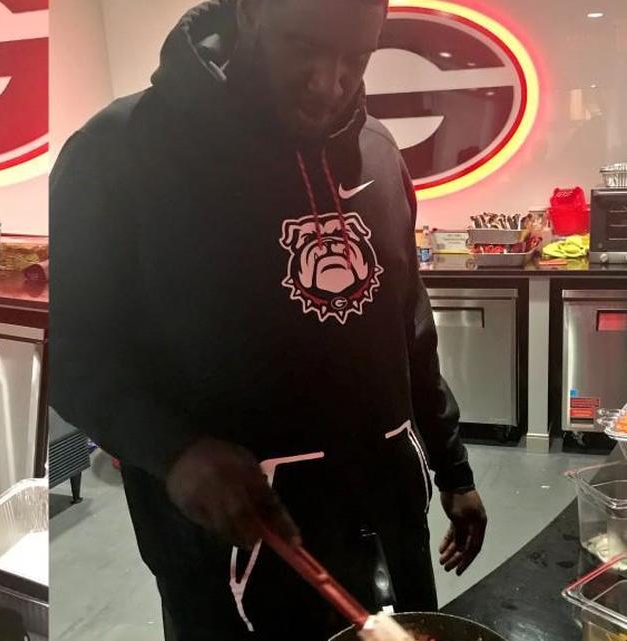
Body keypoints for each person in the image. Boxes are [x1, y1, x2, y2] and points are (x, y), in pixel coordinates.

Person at [49, 0, 488, 638]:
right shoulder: (118, 154)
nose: (331, 83)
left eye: (356, 58)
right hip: (233, 552)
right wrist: (174, 453)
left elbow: (409, 333)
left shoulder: (378, 150)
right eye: (304, 47)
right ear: (250, 12)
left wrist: (453, 470)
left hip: (388, 523)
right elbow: (71, 352)